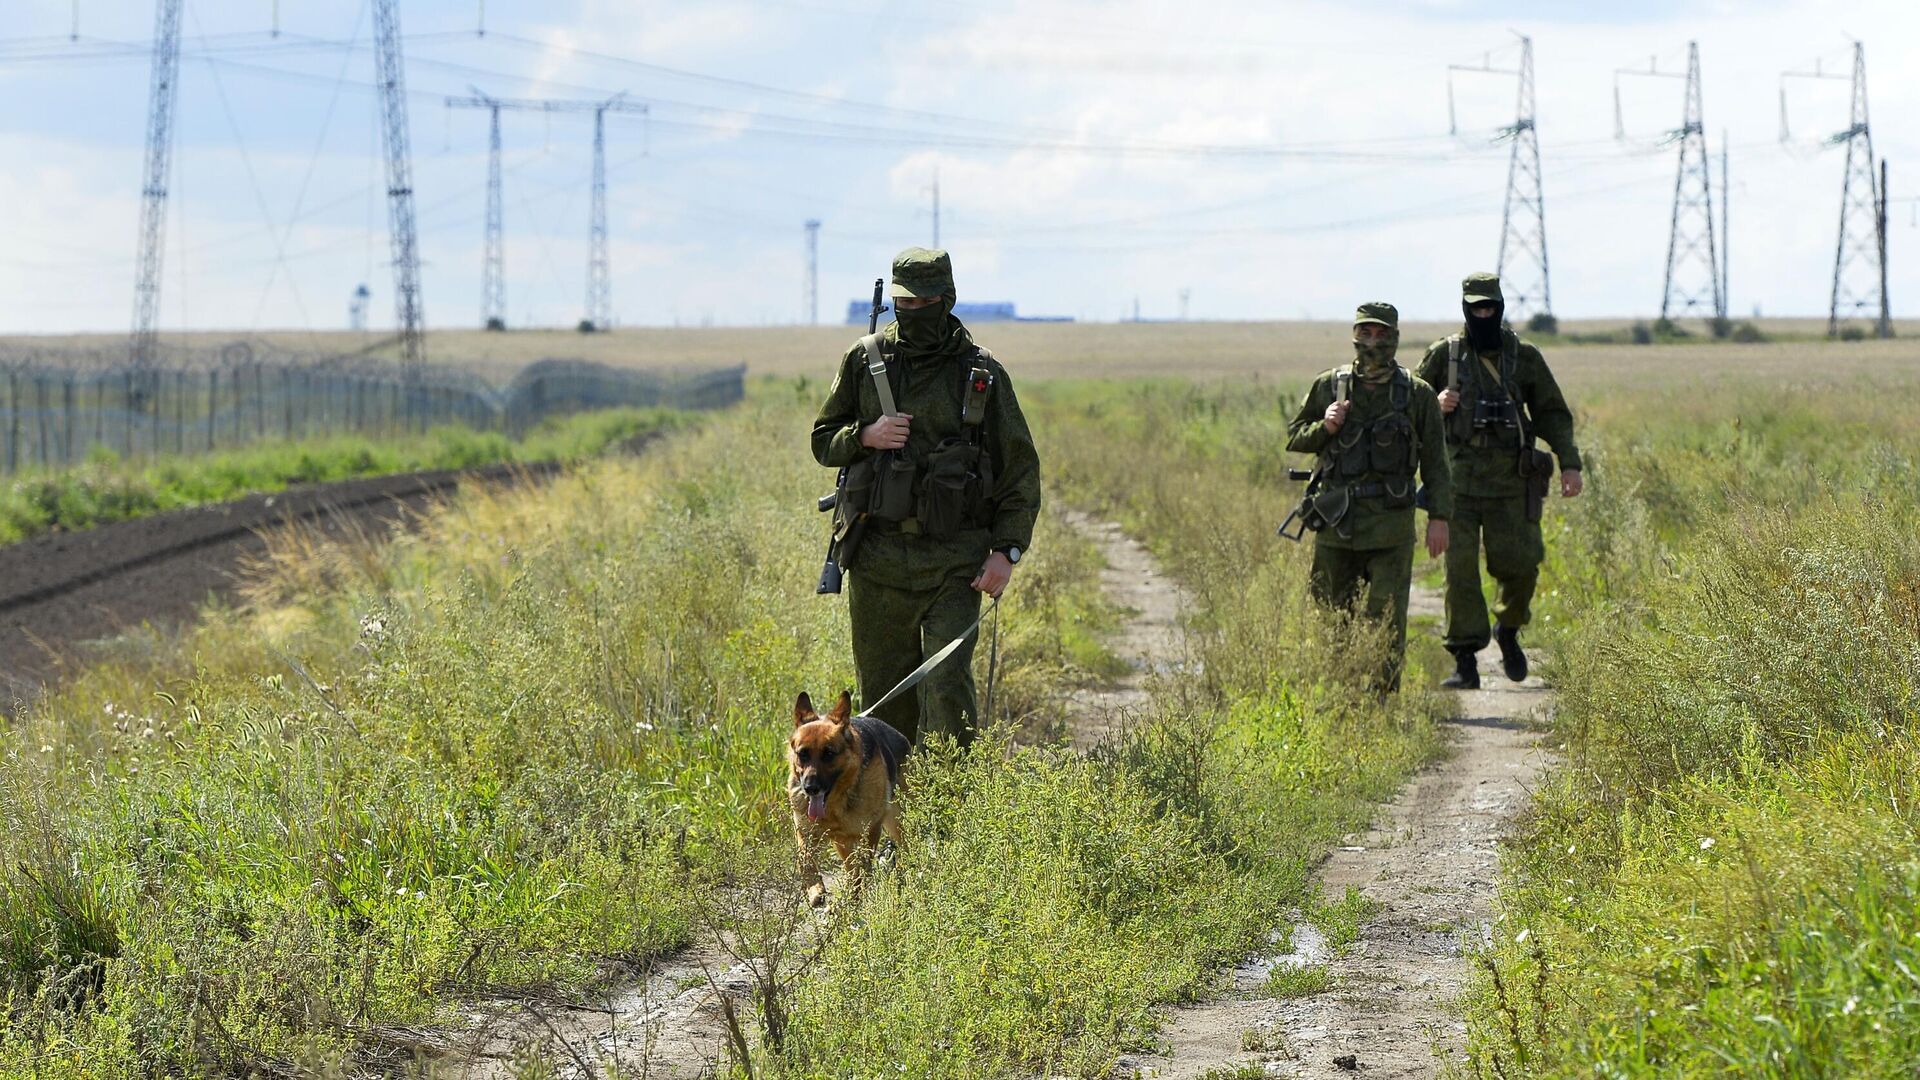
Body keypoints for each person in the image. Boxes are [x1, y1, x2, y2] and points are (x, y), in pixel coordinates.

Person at [811, 247, 1041, 746]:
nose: (913, 313)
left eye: (924, 302)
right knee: (885, 703)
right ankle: (893, 810)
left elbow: (1019, 472)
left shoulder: (981, 374)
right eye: (903, 305)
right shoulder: (865, 359)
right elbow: (822, 440)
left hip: (956, 563)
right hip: (877, 560)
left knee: (947, 691)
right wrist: (865, 436)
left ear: (948, 298)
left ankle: (955, 813)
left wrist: (1007, 551)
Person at [1414, 272, 1583, 690]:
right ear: (1465, 309)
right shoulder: (1445, 355)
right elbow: (1411, 411)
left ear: (1501, 306)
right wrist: (1436, 405)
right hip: (1458, 487)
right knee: (1461, 573)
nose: (1483, 314)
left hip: (1512, 482)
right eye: (1476, 308)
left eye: (1490, 306)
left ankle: (1508, 629)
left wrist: (1570, 463)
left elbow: (1552, 413)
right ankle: (1466, 660)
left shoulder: (1522, 356)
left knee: (1523, 564)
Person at [1285, 301, 1452, 693]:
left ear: (1395, 338)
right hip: (1336, 521)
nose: (1373, 342)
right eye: (1365, 333)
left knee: (1387, 617)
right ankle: (1338, 692)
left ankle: (1381, 701)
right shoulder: (1330, 384)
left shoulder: (1417, 394)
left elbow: (1436, 462)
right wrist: (1325, 426)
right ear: (1354, 336)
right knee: (1331, 614)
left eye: (1381, 334)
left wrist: (1439, 517)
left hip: (1390, 523)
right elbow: (1295, 436)